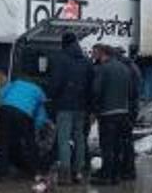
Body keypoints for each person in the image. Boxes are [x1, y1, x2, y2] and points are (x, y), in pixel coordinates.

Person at [0, 74, 53, 190]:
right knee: (30, 143)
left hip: (5, 110)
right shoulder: (40, 92)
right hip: (23, 114)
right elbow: (41, 116)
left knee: (3, 141)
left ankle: (0, 172)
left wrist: (2, 105)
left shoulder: (16, 83)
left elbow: (0, 93)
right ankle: (35, 170)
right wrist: (36, 128)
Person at [48, 32, 92, 184]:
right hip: (81, 106)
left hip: (65, 105)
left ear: (64, 43)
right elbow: (90, 84)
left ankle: (65, 174)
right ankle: (78, 171)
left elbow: (56, 83)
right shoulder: (86, 60)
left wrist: (52, 96)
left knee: (64, 139)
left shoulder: (60, 59)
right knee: (79, 137)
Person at [89, 44, 133, 185]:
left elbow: (96, 91)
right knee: (118, 145)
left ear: (102, 53)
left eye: (94, 53)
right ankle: (116, 175)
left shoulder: (103, 69)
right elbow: (131, 91)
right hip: (123, 112)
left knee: (107, 145)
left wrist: (94, 110)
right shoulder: (125, 69)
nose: (93, 56)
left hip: (108, 113)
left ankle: (106, 175)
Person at [115, 47, 142, 181]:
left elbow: (130, 91)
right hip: (131, 108)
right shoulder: (133, 67)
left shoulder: (125, 69)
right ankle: (129, 169)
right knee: (126, 140)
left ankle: (126, 169)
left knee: (123, 140)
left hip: (127, 108)